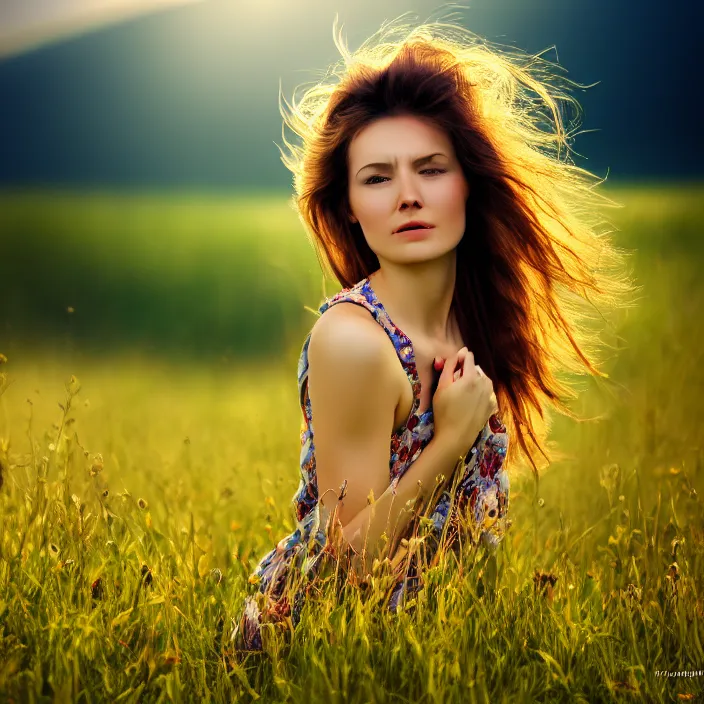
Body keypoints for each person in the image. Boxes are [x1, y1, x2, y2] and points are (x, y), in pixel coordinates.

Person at [230, 15, 634, 652]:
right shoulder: (355, 343)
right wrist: (449, 443)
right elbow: (342, 572)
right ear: (350, 207)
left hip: (436, 652)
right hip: (315, 654)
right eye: (378, 177)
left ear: (468, 183)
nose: (408, 196)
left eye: (431, 169)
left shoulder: (471, 318)